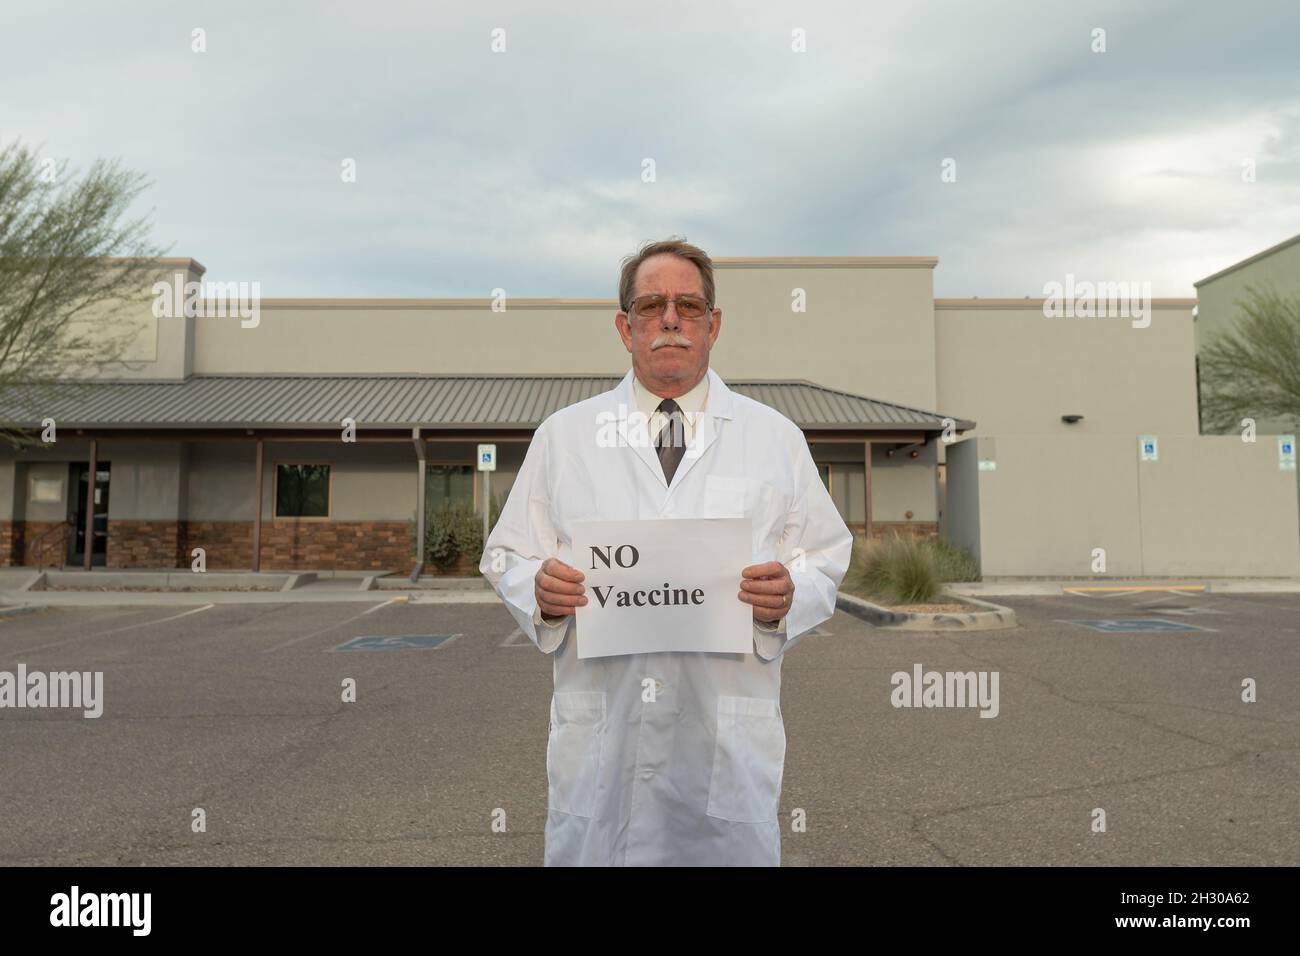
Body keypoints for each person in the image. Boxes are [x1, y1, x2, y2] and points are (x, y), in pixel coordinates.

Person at [479, 237, 853, 865]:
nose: (671, 319)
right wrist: (538, 594)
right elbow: (506, 555)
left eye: (689, 305)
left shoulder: (774, 438)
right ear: (626, 328)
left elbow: (823, 555)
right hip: (604, 733)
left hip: (724, 735)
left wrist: (787, 598)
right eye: (652, 305)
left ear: (714, 325)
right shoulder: (565, 437)